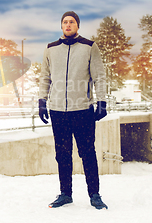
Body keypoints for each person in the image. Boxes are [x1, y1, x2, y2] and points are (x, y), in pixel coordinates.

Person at [38, 11, 108, 210]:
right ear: (61, 26)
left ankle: (94, 194)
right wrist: (42, 101)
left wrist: (101, 101)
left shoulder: (89, 47)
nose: (68, 25)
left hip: (82, 110)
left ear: (78, 25)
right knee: (62, 154)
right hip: (58, 110)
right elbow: (45, 77)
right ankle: (65, 194)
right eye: (65, 22)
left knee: (88, 153)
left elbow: (99, 76)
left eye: (72, 22)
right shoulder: (51, 49)